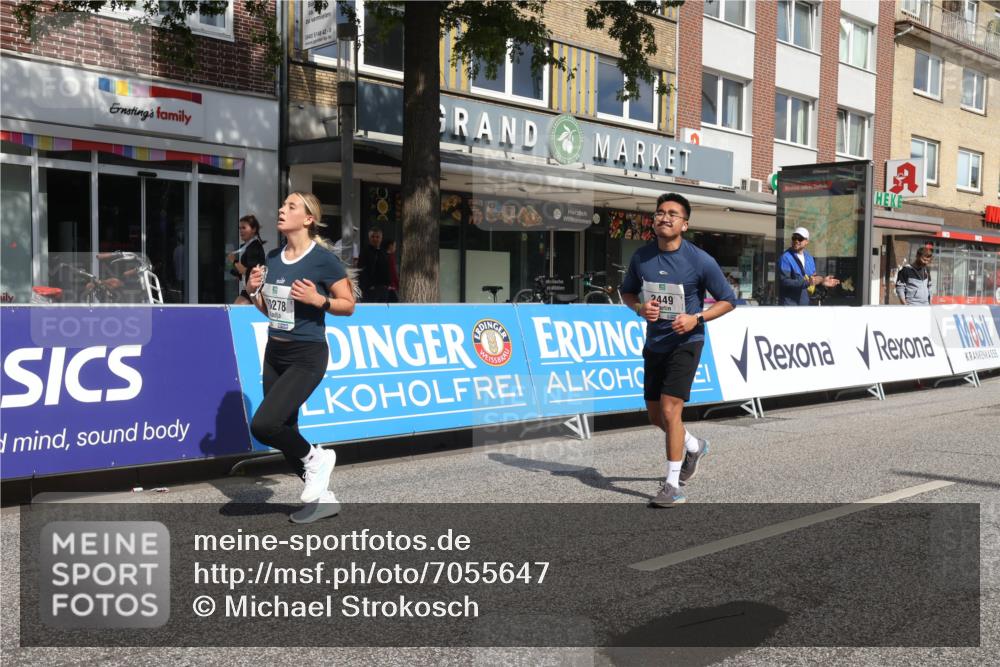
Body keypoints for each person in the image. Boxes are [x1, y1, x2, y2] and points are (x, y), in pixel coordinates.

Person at [620, 193, 737, 508]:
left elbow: (728, 300)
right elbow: (627, 292)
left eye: (673, 213)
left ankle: (672, 486)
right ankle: (695, 446)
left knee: (672, 411)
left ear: (684, 224)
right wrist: (640, 308)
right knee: (656, 416)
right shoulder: (641, 257)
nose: (665, 217)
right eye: (660, 212)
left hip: (687, 342)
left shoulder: (700, 260)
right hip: (655, 343)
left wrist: (696, 318)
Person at [246, 192, 356, 524]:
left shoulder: (322, 260)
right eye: (282, 205)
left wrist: (318, 299)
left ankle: (318, 459)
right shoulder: (273, 257)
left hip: (306, 355)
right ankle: (323, 500)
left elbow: (348, 305)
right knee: (286, 429)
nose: (281, 210)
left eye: (290, 206)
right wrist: (253, 292)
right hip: (274, 353)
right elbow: (272, 311)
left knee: (264, 425)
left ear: (308, 219)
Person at [777, 226, 839, 306]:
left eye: (800, 238)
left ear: (806, 241)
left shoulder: (809, 258)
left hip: (805, 305)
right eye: (794, 238)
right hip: (789, 306)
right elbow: (784, 281)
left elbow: (812, 278)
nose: (796, 241)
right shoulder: (785, 257)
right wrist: (807, 282)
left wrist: (822, 281)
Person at [230, 214, 267, 305]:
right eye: (240, 228)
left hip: (255, 289)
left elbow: (247, 271)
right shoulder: (247, 246)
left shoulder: (254, 247)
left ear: (253, 229)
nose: (241, 231)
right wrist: (237, 273)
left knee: (236, 310)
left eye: (244, 228)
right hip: (250, 288)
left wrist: (234, 261)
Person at [357, 226, 391, 302]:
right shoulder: (365, 251)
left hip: (383, 289)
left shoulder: (384, 252)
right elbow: (361, 270)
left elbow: (387, 269)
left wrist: (388, 285)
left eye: (377, 237)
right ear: (369, 238)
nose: (375, 239)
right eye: (372, 237)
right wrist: (368, 286)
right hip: (369, 289)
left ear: (381, 238)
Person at [382, 237, 399, 303]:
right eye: (394, 246)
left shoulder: (382, 255)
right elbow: (393, 273)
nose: (395, 248)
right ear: (390, 246)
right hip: (391, 286)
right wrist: (397, 285)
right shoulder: (391, 257)